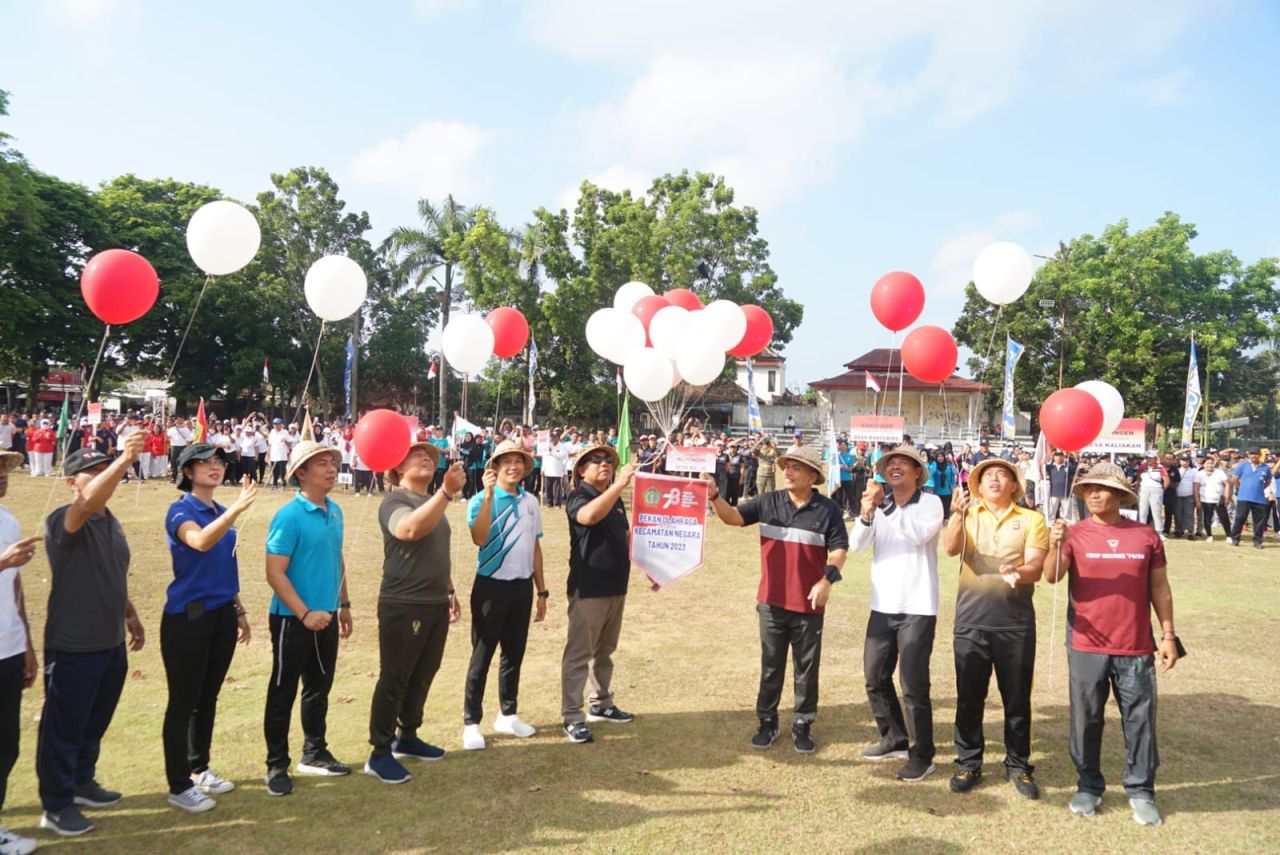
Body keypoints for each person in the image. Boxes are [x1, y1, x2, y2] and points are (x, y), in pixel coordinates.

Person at [1044, 462, 1179, 826]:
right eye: (1088, 489)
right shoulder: (1073, 533)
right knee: (1085, 719)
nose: (1094, 494)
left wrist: (1167, 636)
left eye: (1102, 488)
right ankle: (1088, 785)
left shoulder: (1146, 536)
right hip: (1086, 644)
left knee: (1139, 721)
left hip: (1136, 646)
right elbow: (1052, 576)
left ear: (1121, 495)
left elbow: (1159, 588)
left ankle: (1141, 790)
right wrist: (1054, 546)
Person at [37, 433, 146, 837]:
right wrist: (123, 460)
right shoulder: (66, 518)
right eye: (92, 473)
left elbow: (111, 572)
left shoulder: (110, 521)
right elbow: (86, 504)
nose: (103, 478)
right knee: (63, 727)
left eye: (105, 470)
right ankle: (56, 803)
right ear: (71, 482)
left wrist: (130, 613)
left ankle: (82, 781)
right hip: (73, 645)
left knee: (95, 720)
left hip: (109, 640)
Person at [706, 445, 847, 754]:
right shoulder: (768, 501)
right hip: (771, 601)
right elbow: (732, 518)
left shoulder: (828, 509)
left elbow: (838, 550)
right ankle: (767, 722)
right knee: (771, 665)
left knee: (806, 668)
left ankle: (802, 723)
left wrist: (827, 580)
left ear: (813, 476)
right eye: (787, 466)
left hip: (809, 604)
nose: (788, 471)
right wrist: (715, 497)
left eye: (796, 467)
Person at [942, 457, 1047, 799]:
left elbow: (1036, 564)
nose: (995, 480)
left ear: (1015, 485)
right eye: (989, 475)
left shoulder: (1032, 519)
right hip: (971, 621)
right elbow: (951, 548)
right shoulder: (968, 515)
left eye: (1003, 475)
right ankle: (968, 762)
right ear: (978, 484)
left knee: (1016, 699)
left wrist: (1021, 573)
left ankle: (1018, 765)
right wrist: (956, 515)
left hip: (1015, 624)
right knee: (969, 698)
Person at [162, 445, 256, 813]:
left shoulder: (217, 510)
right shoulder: (181, 510)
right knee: (183, 702)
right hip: (188, 617)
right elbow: (199, 542)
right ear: (187, 471)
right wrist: (237, 509)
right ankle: (178, 784)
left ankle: (199, 767)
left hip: (221, 613)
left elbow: (223, 565)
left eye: (219, 462)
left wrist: (238, 608)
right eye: (206, 463)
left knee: (208, 697)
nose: (215, 468)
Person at [365, 443, 467, 784]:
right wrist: (446, 493)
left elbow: (433, 548)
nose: (426, 458)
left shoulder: (432, 502)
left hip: (434, 601)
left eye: (431, 456)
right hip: (403, 602)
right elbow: (408, 530)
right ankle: (380, 751)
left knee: (424, 671)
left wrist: (449, 589)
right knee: (395, 676)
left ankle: (407, 735)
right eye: (415, 455)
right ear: (397, 468)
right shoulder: (396, 500)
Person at [263, 440, 353, 797]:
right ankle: (276, 765)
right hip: (291, 619)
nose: (331, 468)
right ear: (301, 473)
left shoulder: (335, 511)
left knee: (319, 687)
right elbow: (275, 573)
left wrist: (343, 603)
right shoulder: (288, 516)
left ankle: (314, 753)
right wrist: (304, 613)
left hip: (327, 616)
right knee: (283, 691)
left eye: (332, 462)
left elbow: (337, 558)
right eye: (321, 464)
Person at [850, 445, 944, 782]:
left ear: (918, 472)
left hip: (918, 606)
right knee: (874, 677)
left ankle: (924, 754)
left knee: (913, 685)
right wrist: (866, 512)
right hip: (882, 604)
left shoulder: (930, 503)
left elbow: (917, 535)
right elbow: (857, 544)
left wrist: (882, 505)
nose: (896, 467)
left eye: (904, 463)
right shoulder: (880, 506)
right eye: (891, 463)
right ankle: (893, 737)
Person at [463, 440, 547, 750]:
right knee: (482, 656)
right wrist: (487, 496)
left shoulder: (531, 502)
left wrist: (542, 590)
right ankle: (471, 721)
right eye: (506, 461)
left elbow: (535, 547)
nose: (513, 466)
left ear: (525, 468)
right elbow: (479, 537)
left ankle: (507, 713)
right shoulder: (479, 500)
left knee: (514, 653)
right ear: (495, 467)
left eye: (518, 461)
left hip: (522, 587)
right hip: (490, 586)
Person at [560, 443, 642, 744]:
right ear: (581, 469)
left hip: (616, 587)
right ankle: (572, 716)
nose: (604, 463)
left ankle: (601, 702)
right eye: (596, 460)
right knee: (579, 654)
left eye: (608, 460)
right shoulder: (579, 496)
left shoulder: (615, 501)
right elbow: (588, 517)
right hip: (589, 589)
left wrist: (655, 567)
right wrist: (619, 484)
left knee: (604, 651)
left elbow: (626, 538)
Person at [0, 451, 39, 855]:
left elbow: (14, 587)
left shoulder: (8, 520)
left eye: (5, 469)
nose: (1, 476)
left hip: (8, 648)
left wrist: (26, 641)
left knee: (7, 743)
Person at [1229, 447, 1272, 549]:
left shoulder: (1265, 467)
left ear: (1259, 455)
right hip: (1244, 497)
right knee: (1240, 518)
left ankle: (1257, 541)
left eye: (1256, 454)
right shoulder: (1242, 465)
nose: (1254, 456)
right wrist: (1241, 488)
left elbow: (1268, 481)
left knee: (1259, 521)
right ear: (1248, 455)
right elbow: (1235, 479)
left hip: (1259, 498)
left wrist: (1259, 488)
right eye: (1252, 454)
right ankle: (1235, 539)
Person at [1135, 450, 1169, 538]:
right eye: (1147, 458)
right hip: (1143, 489)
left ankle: (1159, 532)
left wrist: (1161, 490)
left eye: (1151, 458)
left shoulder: (1160, 467)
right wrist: (1136, 489)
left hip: (1156, 490)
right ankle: (1142, 529)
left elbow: (1166, 481)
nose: (1149, 460)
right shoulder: (1142, 467)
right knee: (1143, 511)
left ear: (1154, 458)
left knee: (1156, 511)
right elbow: (1139, 479)